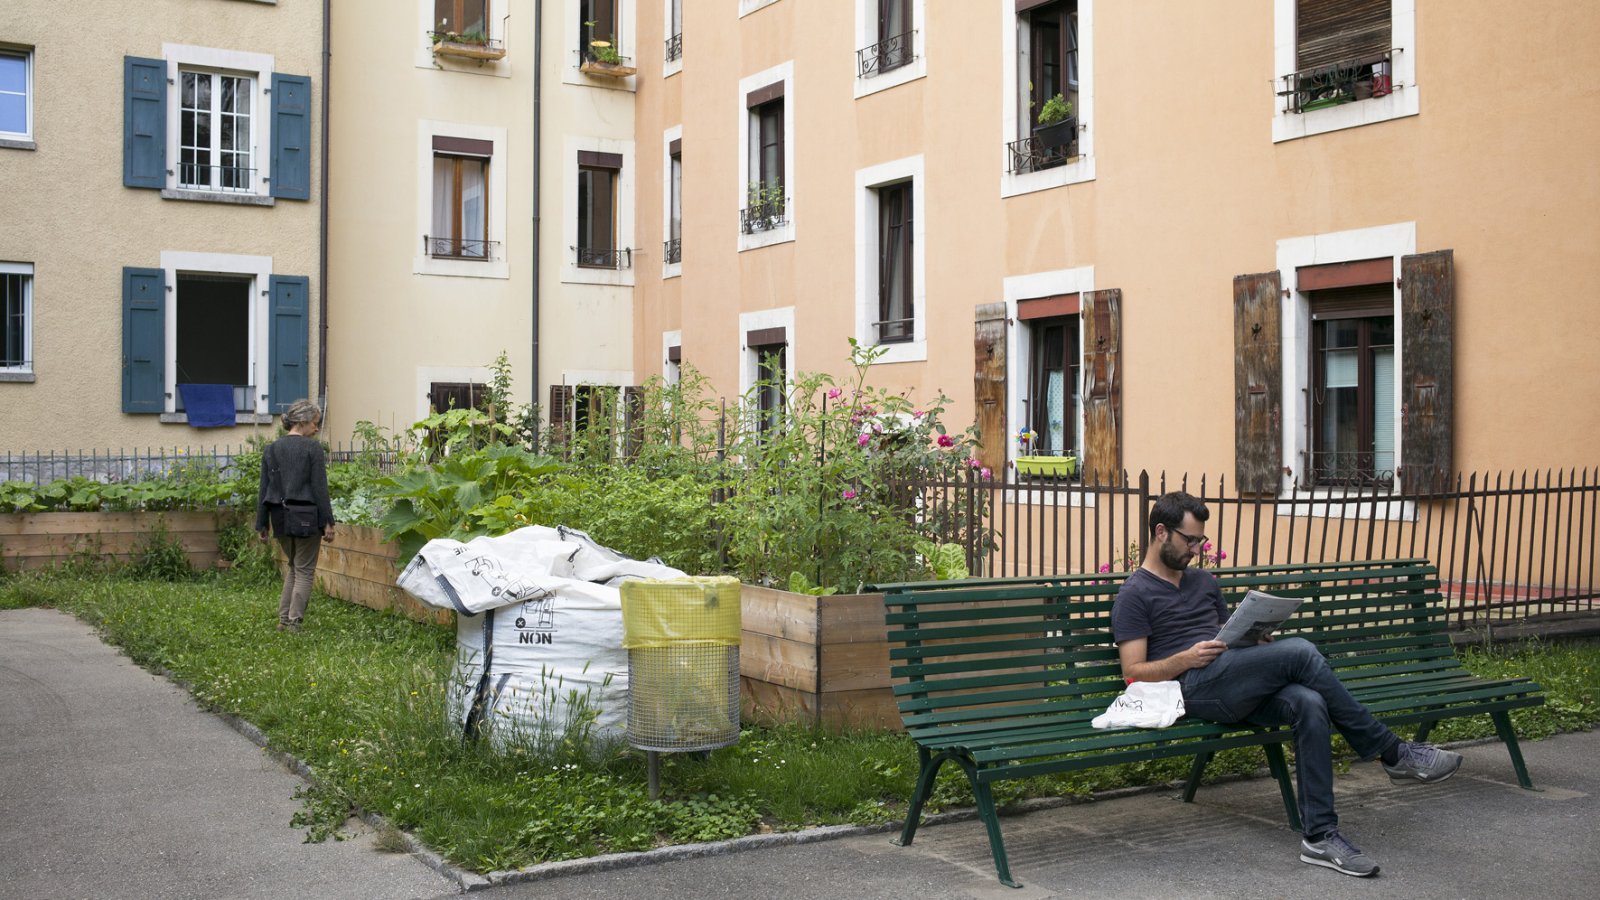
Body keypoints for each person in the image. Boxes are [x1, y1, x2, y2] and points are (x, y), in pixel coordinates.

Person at [1110, 491, 1461, 878]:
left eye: (1200, 541)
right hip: (1192, 688)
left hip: (1233, 677)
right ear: (1161, 532)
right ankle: (1393, 753)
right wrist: (1184, 659)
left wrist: (1255, 640)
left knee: (1309, 702)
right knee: (1301, 652)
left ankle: (1320, 837)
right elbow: (1134, 671)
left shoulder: (1203, 583)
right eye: (1189, 540)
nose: (1196, 549)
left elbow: (1226, 635)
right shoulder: (1135, 594)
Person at [256, 399, 335, 632]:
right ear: (302, 421)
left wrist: (262, 523)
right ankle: (294, 622)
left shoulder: (271, 449)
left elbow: (263, 488)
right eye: (315, 423)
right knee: (305, 570)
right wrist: (328, 521)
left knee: (294, 566)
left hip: (279, 516)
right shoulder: (313, 449)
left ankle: (283, 619)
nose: (317, 428)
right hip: (306, 516)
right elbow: (320, 488)